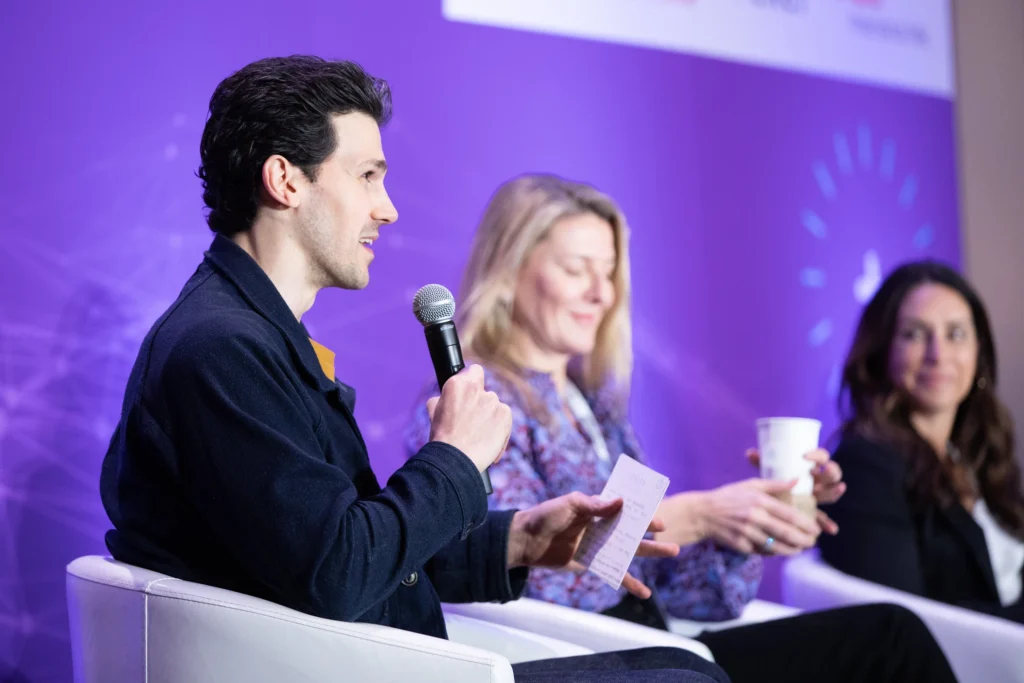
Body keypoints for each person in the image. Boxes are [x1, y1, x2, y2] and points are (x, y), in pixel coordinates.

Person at [98, 56, 732, 683]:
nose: (388, 208)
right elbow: (339, 573)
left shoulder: (257, 337)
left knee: (681, 668)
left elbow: (354, 552)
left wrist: (520, 541)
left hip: (379, 658)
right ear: (285, 181)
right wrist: (454, 456)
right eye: (368, 176)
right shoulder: (220, 348)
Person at [404, 174, 959, 683]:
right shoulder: (472, 405)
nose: (603, 294)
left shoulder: (597, 408)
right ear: (510, 269)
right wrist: (694, 518)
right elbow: (524, 576)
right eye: (577, 270)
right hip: (597, 661)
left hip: (663, 644)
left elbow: (682, 592)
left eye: (609, 273)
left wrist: (747, 526)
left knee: (890, 635)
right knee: (888, 638)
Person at [819, 261, 1024, 623]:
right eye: (914, 334)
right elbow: (904, 625)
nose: (937, 355)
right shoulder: (864, 465)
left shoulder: (977, 452)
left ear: (979, 352)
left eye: (956, 334)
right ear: (883, 351)